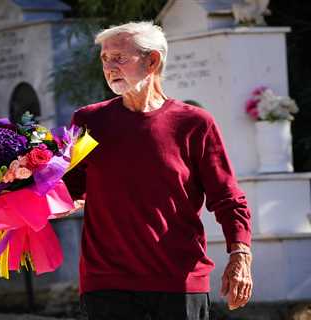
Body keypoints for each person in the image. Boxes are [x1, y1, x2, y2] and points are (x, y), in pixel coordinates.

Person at [62, 21, 253, 320]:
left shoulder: (194, 124)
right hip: (107, 283)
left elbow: (227, 197)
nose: (109, 67)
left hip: (178, 281)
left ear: (152, 61)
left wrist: (240, 255)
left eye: (119, 58)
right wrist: (9, 185)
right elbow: (65, 188)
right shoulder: (89, 121)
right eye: (104, 59)